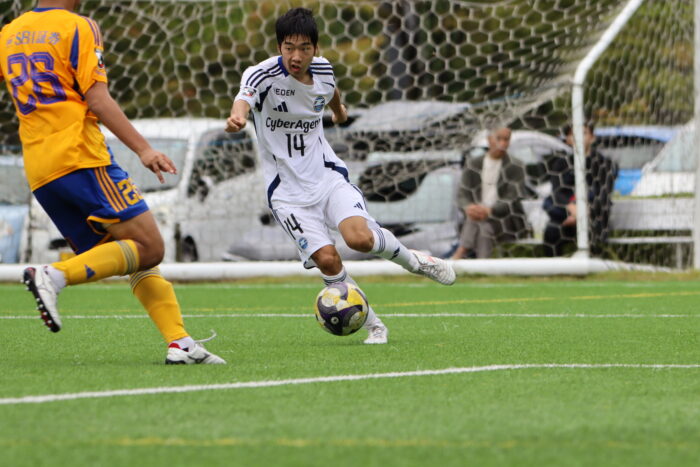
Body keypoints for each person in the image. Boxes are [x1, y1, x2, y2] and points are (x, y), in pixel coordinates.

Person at [0, 0, 224, 364]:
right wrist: (144, 149)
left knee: (132, 255)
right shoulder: (78, 26)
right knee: (150, 246)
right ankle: (53, 275)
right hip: (81, 157)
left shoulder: (10, 33)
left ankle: (179, 342)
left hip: (40, 171)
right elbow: (98, 99)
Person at [226, 7, 456, 345]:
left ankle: (418, 263)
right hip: (287, 194)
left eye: (304, 48)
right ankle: (375, 326)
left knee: (359, 239)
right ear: (279, 47)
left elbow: (330, 90)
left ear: (315, 48)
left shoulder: (323, 69)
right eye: (289, 47)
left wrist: (338, 111)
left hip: (327, 177)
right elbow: (243, 99)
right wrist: (237, 117)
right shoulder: (261, 75)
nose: (296, 56)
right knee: (327, 259)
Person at [451, 127, 529, 259]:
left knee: (480, 224)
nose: (503, 143)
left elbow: (512, 197)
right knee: (484, 229)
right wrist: (469, 207)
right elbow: (462, 194)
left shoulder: (516, 166)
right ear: (489, 140)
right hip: (478, 218)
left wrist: (490, 210)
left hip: (504, 220)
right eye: (499, 139)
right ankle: (483, 264)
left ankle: (461, 251)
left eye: (506, 139)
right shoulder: (473, 164)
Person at [542, 122, 618, 256]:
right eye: (573, 134)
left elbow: (603, 193)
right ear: (567, 139)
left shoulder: (604, 164)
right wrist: (572, 209)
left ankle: (594, 262)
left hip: (593, 217)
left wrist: (582, 212)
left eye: (583, 133)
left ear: (592, 137)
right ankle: (553, 266)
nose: (578, 138)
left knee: (593, 234)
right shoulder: (560, 164)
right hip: (565, 217)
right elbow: (557, 192)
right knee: (552, 232)